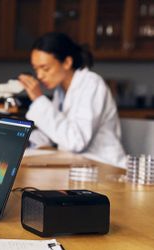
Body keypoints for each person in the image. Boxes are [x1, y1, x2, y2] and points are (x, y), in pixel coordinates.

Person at [18, 32, 126, 167]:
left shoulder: (91, 84)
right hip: (78, 164)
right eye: (36, 69)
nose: (39, 76)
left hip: (104, 165)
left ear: (67, 62)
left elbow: (76, 141)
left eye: (45, 68)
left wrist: (38, 98)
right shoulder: (61, 90)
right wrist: (23, 143)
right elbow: (51, 132)